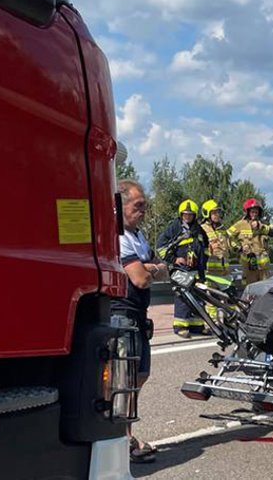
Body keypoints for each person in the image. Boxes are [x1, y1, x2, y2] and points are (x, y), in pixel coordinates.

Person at [111, 180, 167, 464]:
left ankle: (124, 435)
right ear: (121, 207)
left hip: (138, 315)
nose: (143, 211)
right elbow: (140, 278)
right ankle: (123, 441)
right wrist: (151, 268)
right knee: (125, 380)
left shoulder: (139, 236)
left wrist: (150, 268)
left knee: (138, 377)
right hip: (122, 315)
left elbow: (161, 269)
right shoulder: (119, 237)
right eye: (138, 206)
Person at [157, 199, 209, 338]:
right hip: (181, 270)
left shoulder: (198, 230)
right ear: (181, 215)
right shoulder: (174, 228)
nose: (188, 217)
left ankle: (197, 326)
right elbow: (160, 247)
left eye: (190, 215)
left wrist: (203, 262)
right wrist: (174, 260)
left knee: (198, 298)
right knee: (183, 298)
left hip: (197, 270)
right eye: (185, 214)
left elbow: (205, 248)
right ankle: (181, 326)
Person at [228, 198, 273, 285]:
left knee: (264, 288)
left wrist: (260, 226)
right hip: (248, 264)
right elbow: (227, 236)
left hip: (263, 267)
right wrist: (238, 248)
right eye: (252, 212)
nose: (254, 214)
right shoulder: (240, 224)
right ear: (247, 212)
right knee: (250, 289)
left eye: (256, 212)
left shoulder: (263, 223)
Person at [200, 199, 234, 319]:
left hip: (225, 272)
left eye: (218, 212)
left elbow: (229, 245)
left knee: (229, 299)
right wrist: (209, 249)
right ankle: (213, 324)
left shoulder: (222, 229)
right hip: (210, 272)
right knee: (211, 301)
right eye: (214, 213)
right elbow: (199, 249)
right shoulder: (202, 229)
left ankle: (229, 322)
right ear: (207, 214)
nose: (217, 215)